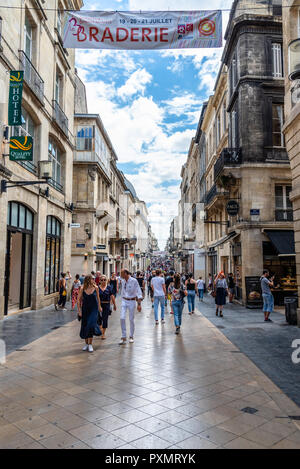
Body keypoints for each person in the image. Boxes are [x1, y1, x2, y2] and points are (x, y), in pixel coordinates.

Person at [77, 275, 102, 352]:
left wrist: (99, 307)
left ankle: (90, 344)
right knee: (85, 326)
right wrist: (79, 311)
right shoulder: (82, 288)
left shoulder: (96, 288)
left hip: (94, 309)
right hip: (85, 309)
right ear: (88, 279)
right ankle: (86, 344)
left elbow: (98, 298)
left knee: (91, 325)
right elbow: (78, 300)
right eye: (93, 279)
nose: (94, 280)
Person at [119, 269, 143, 345]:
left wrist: (139, 304)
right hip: (124, 300)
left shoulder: (134, 281)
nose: (120, 275)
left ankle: (131, 336)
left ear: (125, 273)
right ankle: (123, 336)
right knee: (122, 317)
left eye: (121, 273)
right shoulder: (122, 281)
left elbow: (139, 292)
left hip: (132, 301)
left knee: (131, 319)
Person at [98, 275, 116, 339]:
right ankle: (100, 328)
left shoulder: (109, 287)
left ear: (106, 280)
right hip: (99, 305)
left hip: (106, 305)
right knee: (99, 318)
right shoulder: (97, 288)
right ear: (99, 281)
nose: (103, 281)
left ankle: (103, 334)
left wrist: (114, 305)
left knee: (105, 319)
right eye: (102, 280)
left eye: (104, 280)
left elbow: (112, 296)